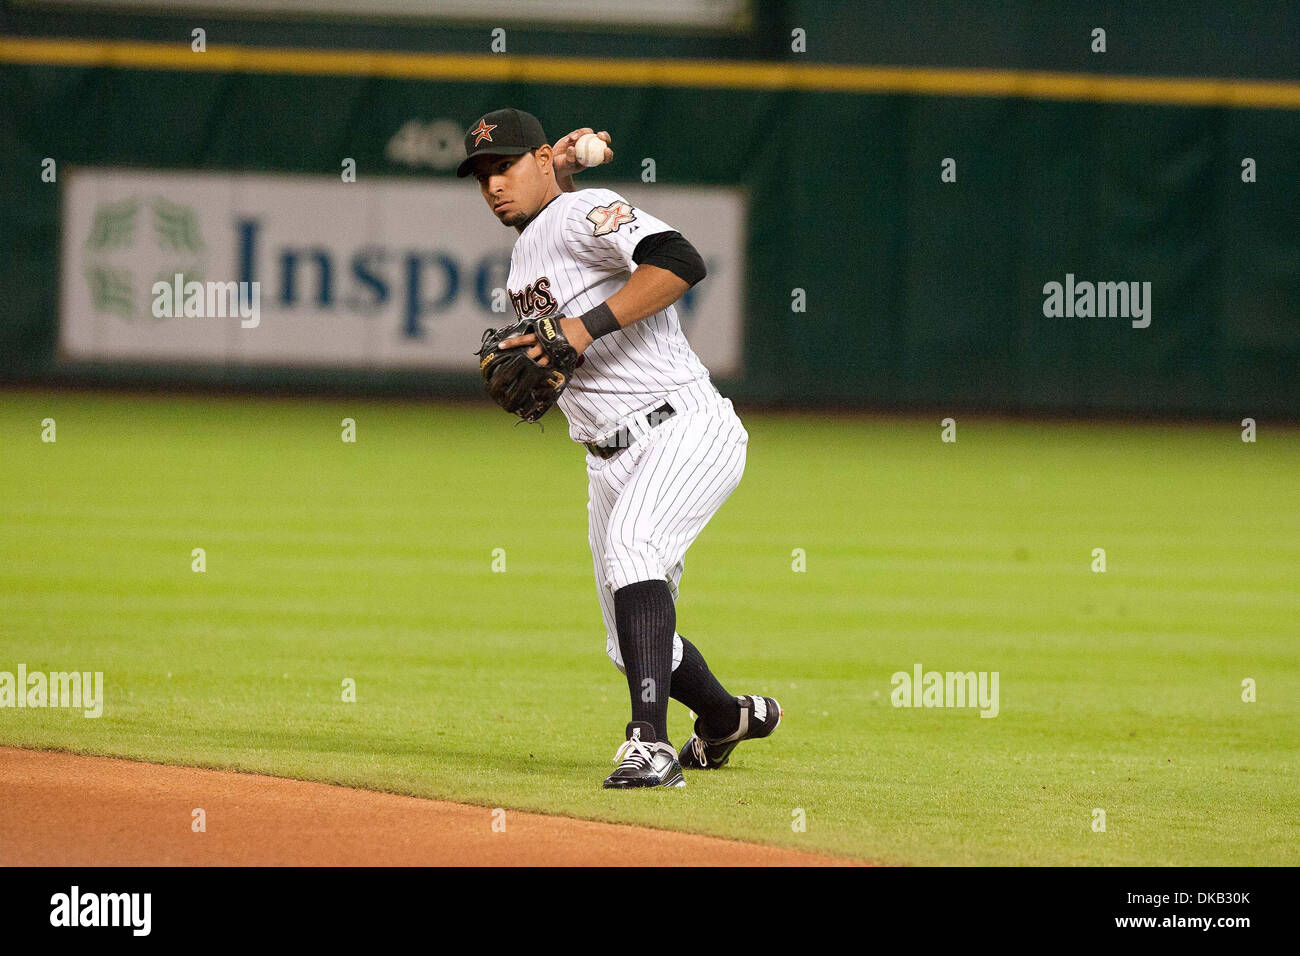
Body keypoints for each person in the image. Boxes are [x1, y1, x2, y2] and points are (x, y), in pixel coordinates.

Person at [458, 108, 781, 789]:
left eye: (505, 166)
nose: (492, 185)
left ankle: (650, 747)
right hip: (606, 456)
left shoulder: (587, 212)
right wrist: (560, 162)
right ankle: (725, 718)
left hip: (682, 426)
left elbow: (681, 262)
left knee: (635, 549)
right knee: (630, 644)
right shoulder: (530, 247)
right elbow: (550, 211)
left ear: (542, 160)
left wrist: (580, 329)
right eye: (482, 174)